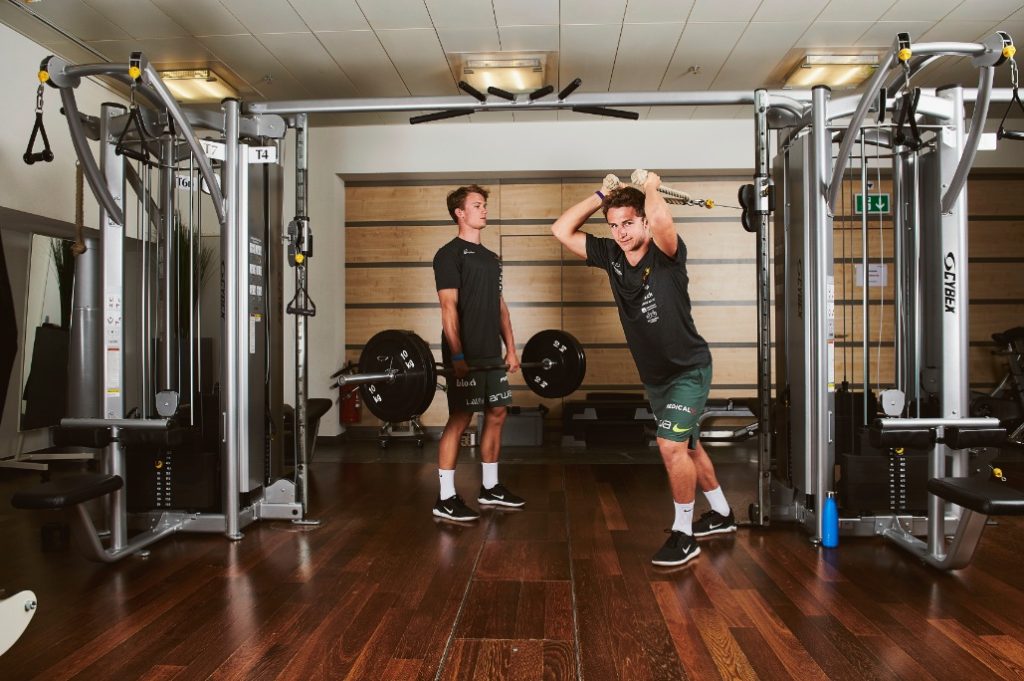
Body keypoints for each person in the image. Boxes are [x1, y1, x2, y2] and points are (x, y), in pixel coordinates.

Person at [551, 172, 736, 566]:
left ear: (645, 221)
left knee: (670, 447)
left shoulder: (665, 252)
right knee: (688, 446)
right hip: (656, 378)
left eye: (628, 223)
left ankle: (684, 534)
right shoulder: (611, 256)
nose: (619, 232)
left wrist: (651, 184)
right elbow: (562, 229)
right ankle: (721, 513)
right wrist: (603, 194)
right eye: (613, 224)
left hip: (689, 370)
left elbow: (665, 222)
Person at [431, 184, 526, 521]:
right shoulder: (449, 254)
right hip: (465, 355)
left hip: (491, 351)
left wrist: (512, 349)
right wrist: (456, 356)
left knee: (498, 411)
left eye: (484, 205)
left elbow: (500, 306)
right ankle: (445, 497)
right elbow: (448, 307)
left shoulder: (490, 259)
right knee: (460, 418)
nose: (484, 210)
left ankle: (490, 488)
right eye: (477, 205)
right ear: (459, 212)